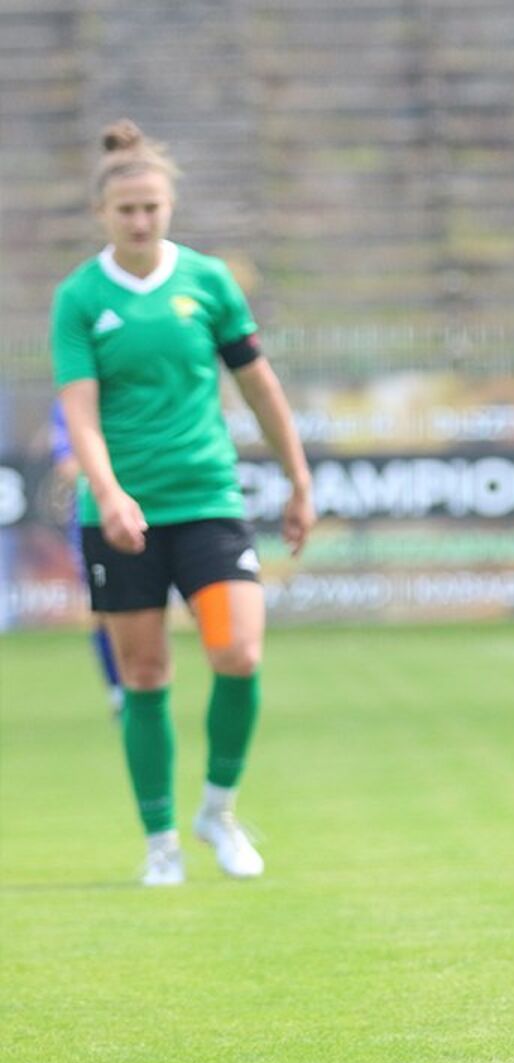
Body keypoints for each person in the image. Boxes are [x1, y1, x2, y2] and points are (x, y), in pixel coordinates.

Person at [51, 120, 314, 886]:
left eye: (152, 208)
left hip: (208, 500)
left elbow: (258, 386)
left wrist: (299, 480)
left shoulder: (207, 282)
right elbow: (80, 411)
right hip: (122, 515)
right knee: (144, 675)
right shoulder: (80, 297)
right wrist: (108, 493)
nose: (140, 221)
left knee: (238, 651)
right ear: (103, 213)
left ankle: (218, 810)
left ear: (169, 207)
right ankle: (160, 840)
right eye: (126, 209)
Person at [48, 400, 125, 714]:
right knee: (103, 610)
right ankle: (118, 690)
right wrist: (107, 475)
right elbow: (65, 465)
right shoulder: (69, 402)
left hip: (148, 510)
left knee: (146, 607)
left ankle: (145, 686)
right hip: (94, 521)